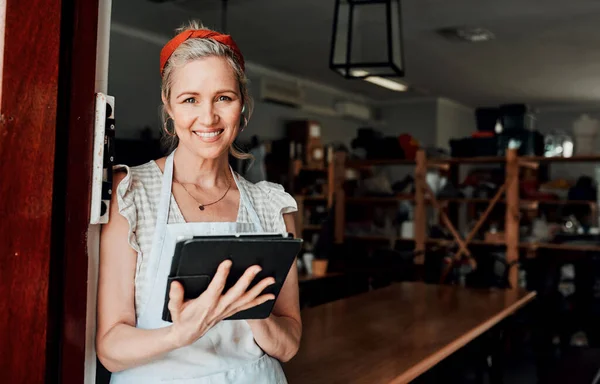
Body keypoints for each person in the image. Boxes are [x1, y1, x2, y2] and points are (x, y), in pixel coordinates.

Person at [97, 21, 301, 383]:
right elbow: (111, 349)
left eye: (224, 97)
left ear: (243, 105)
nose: (208, 118)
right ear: (169, 107)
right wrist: (181, 333)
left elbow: (287, 346)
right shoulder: (131, 193)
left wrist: (248, 307)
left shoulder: (272, 206)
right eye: (190, 99)